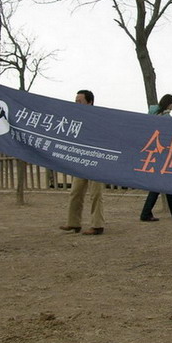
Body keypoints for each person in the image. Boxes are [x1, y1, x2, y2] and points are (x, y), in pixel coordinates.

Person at [60, 90, 107, 235]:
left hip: (96, 160)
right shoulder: (75, 119)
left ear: (90, 102)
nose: (76, 104)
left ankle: (97, 225)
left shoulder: (99, 118)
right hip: (81, 161)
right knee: (75, 192)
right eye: (75, 101)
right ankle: (73, 223)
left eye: (79, 101)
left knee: (96, 194)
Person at [140, 94, 172, 221]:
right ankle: (146, 213)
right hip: (163, 153)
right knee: (158, 184)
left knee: (166, 181)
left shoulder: (152, 113)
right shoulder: (166, 117)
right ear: (169, 104)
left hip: (153, 152)